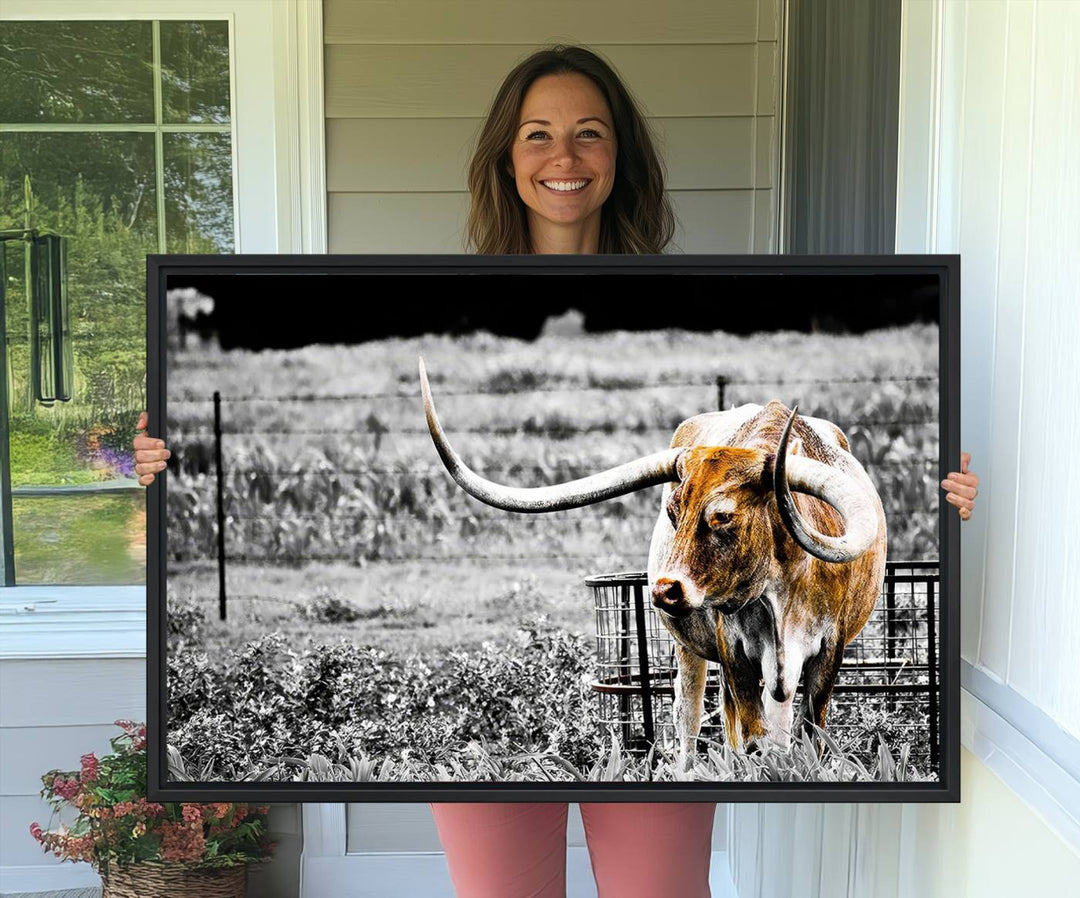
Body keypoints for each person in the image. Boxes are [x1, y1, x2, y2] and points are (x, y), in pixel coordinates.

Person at [134, 44, 980, 898]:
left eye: (589, 134)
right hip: (502, 663)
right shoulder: (436, 300)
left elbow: (809, 485)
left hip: (691, 624)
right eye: (537, 134)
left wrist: (945, 500)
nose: (563, 157)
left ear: (620, 159)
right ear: (507, 158)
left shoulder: (696, 293)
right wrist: (162, 469)